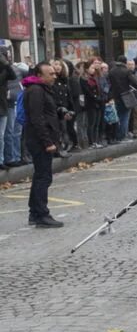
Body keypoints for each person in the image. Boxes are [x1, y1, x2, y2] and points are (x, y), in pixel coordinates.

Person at [22, 61, 65, 227]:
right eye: (51, 74)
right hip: (39, 141)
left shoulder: (42, 89)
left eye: (55, 73)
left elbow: (47, 113)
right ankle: (41, 214)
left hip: (41, 139)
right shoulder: (35, 90)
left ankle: (34, 212)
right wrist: (47, 142)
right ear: (40, 76)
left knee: (41, 176)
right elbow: (37, 118)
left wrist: (61, 114)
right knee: (43, 177)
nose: (54, 76)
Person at [107, 55, 134, 141]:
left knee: (116, 117)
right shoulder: (126, 71)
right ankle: (122, 136)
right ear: (125, 62)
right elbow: (135, 82)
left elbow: (109, 84)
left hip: (115, 97)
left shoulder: (111, 71)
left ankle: (116, 136)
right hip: (126, 96)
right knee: (125, 117)